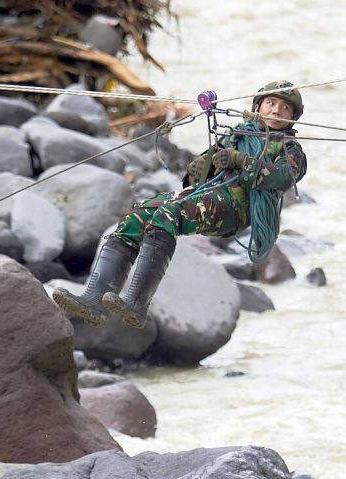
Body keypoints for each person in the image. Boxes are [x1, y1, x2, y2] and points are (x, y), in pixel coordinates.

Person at [53, 80, 308, 329]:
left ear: (293, 117)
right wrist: (200, 167)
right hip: (209, 197)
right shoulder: (235, 136)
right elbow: (199, 177)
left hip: (235, 210)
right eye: (271, 103)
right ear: (258, 106)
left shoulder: (289, 150)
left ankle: (136, 304)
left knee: (168, 215)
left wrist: (241, 160)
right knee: (137, 215)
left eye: (285, 108)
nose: (276, 110)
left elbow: (282, 177)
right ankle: (94, 300)